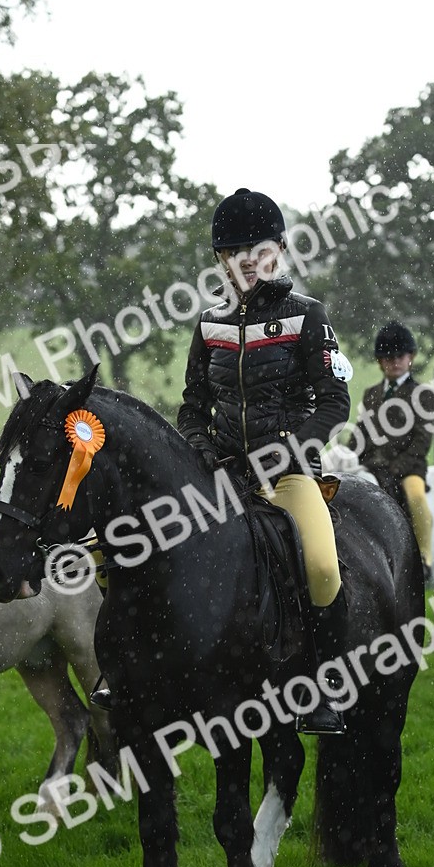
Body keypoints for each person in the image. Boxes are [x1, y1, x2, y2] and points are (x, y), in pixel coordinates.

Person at [176, 187, 353, 734]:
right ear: (220, 260)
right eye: (233, 252)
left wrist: (289, 454)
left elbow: (334, 401)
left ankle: (324, 684)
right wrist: (206, 454)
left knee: (323, 568)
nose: (245, 261)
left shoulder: (307, 316)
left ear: (278, 251)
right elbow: (191, 408)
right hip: (224, 475)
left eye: (257, 250)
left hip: (290, 474)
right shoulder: (208, 325)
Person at [348, 320, 434, 581]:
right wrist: (349, 454)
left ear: (411, 358)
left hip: (408, 466)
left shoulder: (422, 394)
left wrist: (397, 466)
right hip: (374, 465)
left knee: (415, 495)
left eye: (399, 356)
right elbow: (362, 432)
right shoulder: (372, 394)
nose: (394, 362)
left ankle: (425, 557)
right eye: (387, 357)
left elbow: (422, 440)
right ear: (379, 361)